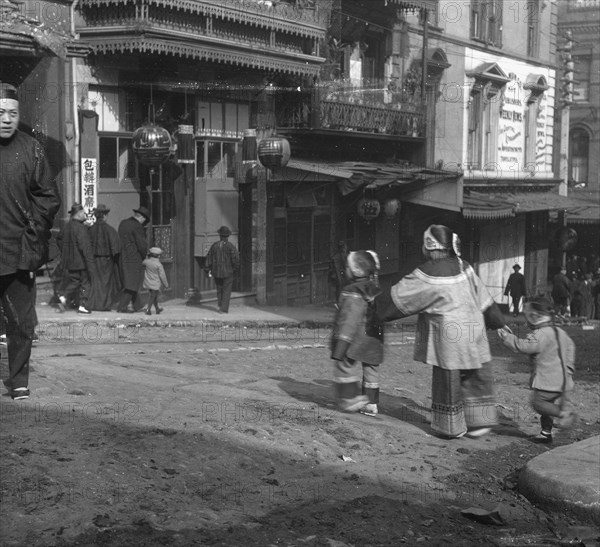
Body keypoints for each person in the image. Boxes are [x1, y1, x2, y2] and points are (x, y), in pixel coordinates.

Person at [375, 225, 506, 439]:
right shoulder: (464, 266)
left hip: (449, 337)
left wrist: (373, 307)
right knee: (475, 375)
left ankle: (451, 428)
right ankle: (480, 423)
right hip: (475, 330)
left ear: (429, 246)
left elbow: (400, 298)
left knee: (449, 380)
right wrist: (498, 322)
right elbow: (485, 299)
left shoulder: (427, 273)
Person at [0, 82, 61, 400]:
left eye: (12, 113)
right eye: (0, 113)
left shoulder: (32, 149)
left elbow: (48, 198)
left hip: (18, 252)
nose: (6, 119)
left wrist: (33, 236)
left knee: (20, 322)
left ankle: (18, 380)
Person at [498, 297, 576, 444]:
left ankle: (565, 413)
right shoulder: (560, 332)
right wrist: (569, 368)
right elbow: (571, 347)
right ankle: (546, 433)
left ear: (535, 316)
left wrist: (507, 338)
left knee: (538, 403)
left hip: (548, 381)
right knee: (547, 407)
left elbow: (524, 346)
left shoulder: (541, 334)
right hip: (563, 379)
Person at [330, 250, 384, 414]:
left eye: (348, 266)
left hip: (355, 338)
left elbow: (349, 320)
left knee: (345, 365)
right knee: (371, 369)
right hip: (374, 338)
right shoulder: (375, 288)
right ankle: (371, 403)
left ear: (356, 271)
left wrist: (342, 341)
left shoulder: (351, 291)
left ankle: (348, 399)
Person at [56, 203, 95, 314]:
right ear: (78, 214)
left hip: (70, 261)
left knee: (75, 281)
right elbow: (85, 248)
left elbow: (58, 239)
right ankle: (83, 306)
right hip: (81, 262)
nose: (85, 215)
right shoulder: (81, 228)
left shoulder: (67, 226)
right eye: (83, 213)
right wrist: (90, 263)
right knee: (85, 283)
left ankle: (64, 296)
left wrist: (66, 252)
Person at [87, 204, 121, 311]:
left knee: (95, 283)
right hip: (107, 260)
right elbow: (116, 248)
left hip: (93, 260)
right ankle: (105, 305)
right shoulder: (110, 230)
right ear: (105, 216)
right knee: (106, 283)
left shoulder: (90, 229)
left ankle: (94, 305)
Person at [117, 206, 150, 313]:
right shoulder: (137, 226)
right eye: (144, 220)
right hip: (134, 257)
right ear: (142, 218)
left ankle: (138, 305)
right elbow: (142, 245)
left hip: (122, 256)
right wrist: (144, 255)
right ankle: (122, 306)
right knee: (132, 283)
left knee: (130, 281)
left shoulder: (123, 223)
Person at [204, 226, 240, 313]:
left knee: (219, 289)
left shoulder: (214, 246)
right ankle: (223, 309)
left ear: (220, 235)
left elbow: (209, 258)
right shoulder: (231, 247)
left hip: (216, 272)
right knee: (226, 290)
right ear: (227, 236)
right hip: (228, 272)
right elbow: (235, 260)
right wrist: (235, 268)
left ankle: (220, 305)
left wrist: (207, 269)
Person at [142, 247, 169, 315]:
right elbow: (162, 276)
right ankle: (148, 310)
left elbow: (143, 262)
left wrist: (147, 257)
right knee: (152, 296)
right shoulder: (159, 265)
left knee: (154, 296)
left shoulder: (146, 262)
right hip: (155, 283)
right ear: (158, 256)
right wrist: (166, 284)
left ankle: (157, 309)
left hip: (148, 282)